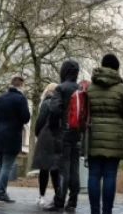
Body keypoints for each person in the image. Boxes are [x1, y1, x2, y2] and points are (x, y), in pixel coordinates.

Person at [86, 54, 123, 214]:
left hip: (94, 136)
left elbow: (87, 112)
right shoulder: (122, 89)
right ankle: (107, 211)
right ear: (116, 68)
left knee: (93, 175)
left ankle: (94, 211)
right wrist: (119, 126)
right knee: (110, 175)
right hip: (115, 137)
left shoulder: (90, 88)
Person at [45, 60, 83, 212]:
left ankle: (59, 200)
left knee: (63, 169)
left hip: (63, 133)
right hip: (77, 133)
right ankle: (72, 202)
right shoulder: (81, 89)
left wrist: (54, 128)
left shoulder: (61, 88)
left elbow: (54, 110)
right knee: (74, 168)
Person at [0, 76, 31, 204]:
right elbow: (26, 118)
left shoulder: (0, 98)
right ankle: (1, 193)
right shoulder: (20, 99)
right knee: (6, 166)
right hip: (12, 135)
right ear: (21, 86)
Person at [32, 83, 61, 208]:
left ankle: (42, 196)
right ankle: (58, 196)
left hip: (46, 136)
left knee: (44, 168)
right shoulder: (62, 103)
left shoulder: (46, 103)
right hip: (58, 137)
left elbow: (40, 121)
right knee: (55, 169)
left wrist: (38, 133)